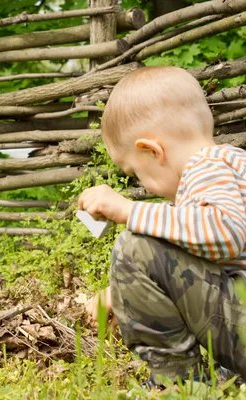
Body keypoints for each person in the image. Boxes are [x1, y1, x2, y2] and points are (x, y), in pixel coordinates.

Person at [78, 66, 246, 386]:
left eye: (136, 174)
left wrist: (129, 210)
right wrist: (126, 292)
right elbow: (203, 259)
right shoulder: (232, 164)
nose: (145, 187)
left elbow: (225, 233)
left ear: (154, 152)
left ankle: (179, 382)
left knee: (135, 247)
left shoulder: (207, 166)